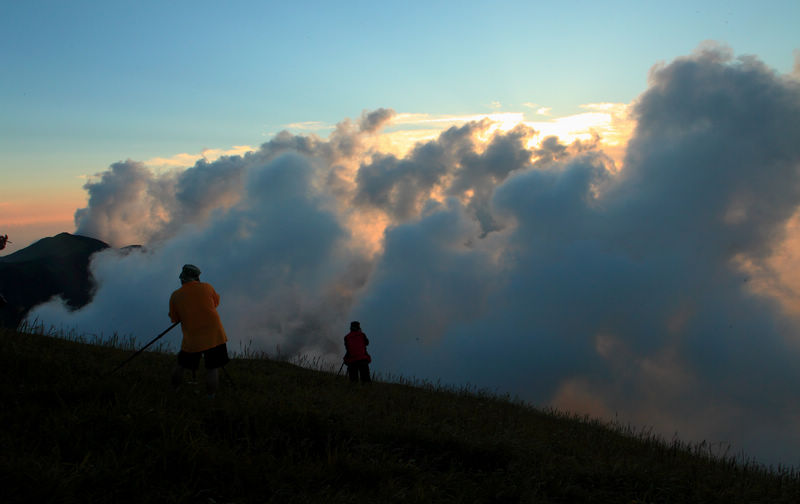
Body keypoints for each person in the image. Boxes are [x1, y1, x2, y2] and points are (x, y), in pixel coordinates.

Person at [168, 264, 229, 397]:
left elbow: (174, 318)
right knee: (212, 368)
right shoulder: (207, 287)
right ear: (197, 278)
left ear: (182, 278)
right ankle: (210, 397)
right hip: (215, 335)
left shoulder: (175, 296)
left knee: (181, 365)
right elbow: (215, 303)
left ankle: (174, 390)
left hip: (192, 338)